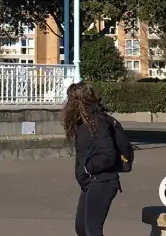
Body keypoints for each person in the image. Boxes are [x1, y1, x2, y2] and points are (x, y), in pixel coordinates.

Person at [62, 82, 121, 236]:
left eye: (71, 99)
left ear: (81, 101)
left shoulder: (98, 121)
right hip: (90, 181)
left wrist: (87, 168)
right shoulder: (83, 122)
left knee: (92, 229)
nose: (68, 104)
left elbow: (108, 155)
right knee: (81, 228)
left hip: (103, 181)